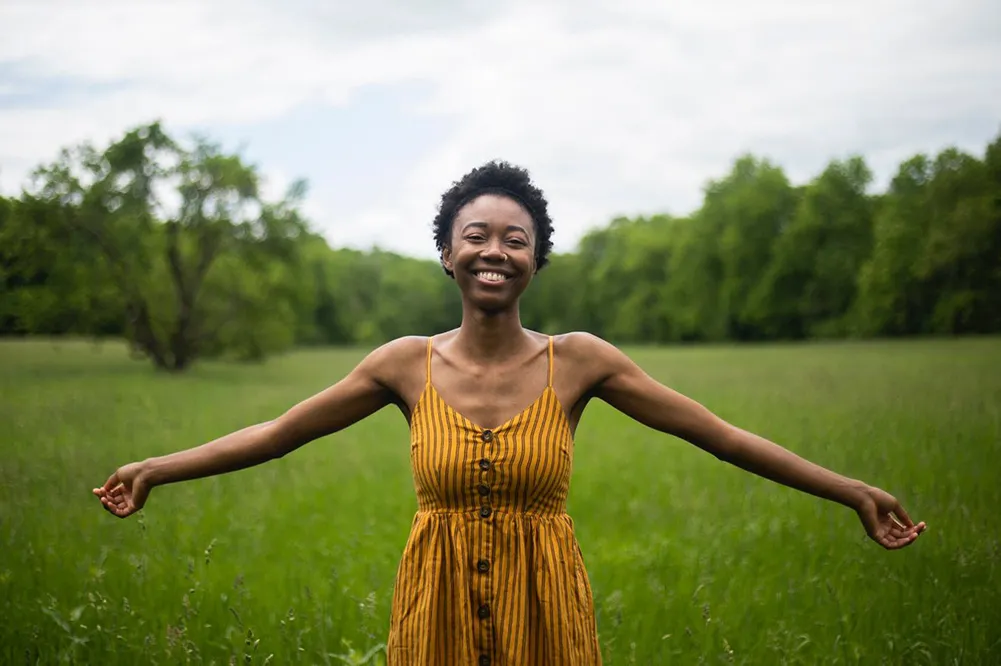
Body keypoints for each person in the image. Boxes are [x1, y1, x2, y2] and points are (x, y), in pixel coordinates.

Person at [94, 161, 927, 665]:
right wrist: (159, 468)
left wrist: (848, 489)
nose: (495, 250)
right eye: (477, 234)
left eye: (515, 238)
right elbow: (277, 435)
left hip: (545, 610)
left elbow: (722, 436)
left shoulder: (581, 362)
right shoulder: (401, 366)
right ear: (447, 252)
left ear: (535, 260)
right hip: (436, 609)